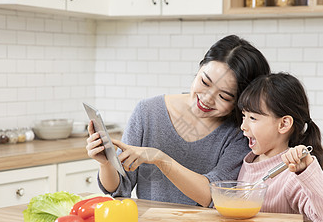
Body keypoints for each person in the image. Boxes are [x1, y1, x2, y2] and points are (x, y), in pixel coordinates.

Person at [86, 35, 270, 207]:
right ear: (199, 69)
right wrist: (107, 163)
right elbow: (119, 187)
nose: (207, 98)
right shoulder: (148, 112)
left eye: (224, 96)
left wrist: (160, 158)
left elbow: (214, 196)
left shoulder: (241, 132)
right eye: (205, 82)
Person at [237, 72, 323, 222]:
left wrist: (306, 170)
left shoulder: (292, 173)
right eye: (244, 116)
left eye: (253, 118)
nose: (243, 126)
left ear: (284, 124)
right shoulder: (249, 161)